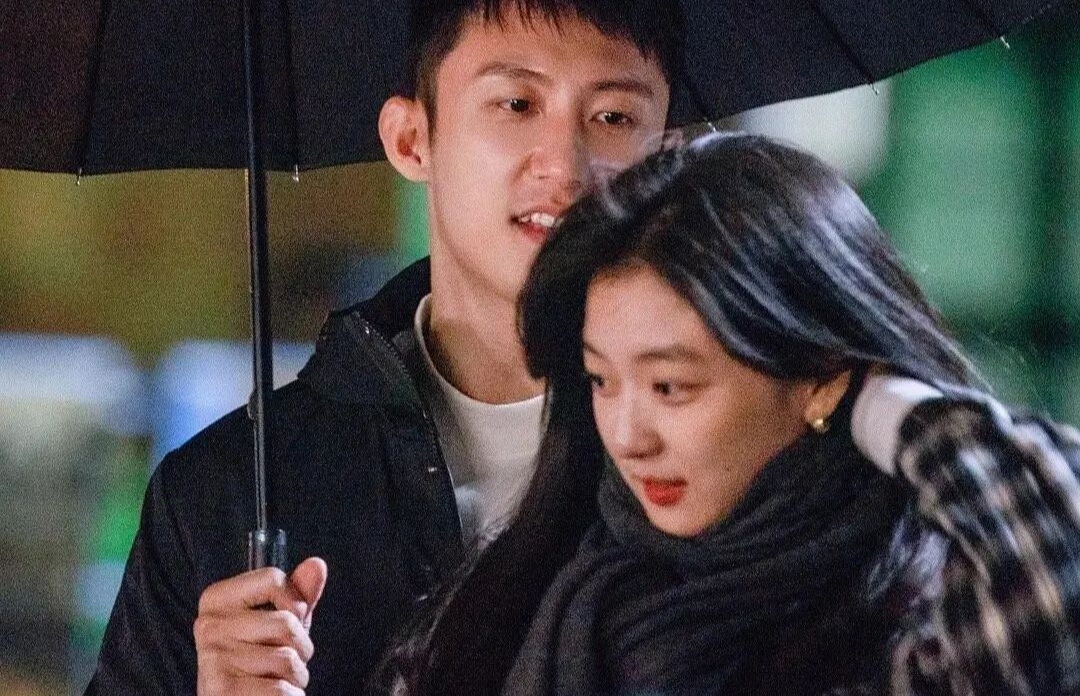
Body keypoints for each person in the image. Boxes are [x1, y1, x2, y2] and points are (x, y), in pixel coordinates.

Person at [85, 0, 683, 695]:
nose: (565, 166)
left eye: (613, 117)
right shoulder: (228, 493)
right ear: (411, 140)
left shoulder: (715, 454)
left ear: (667, 157)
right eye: (516, 104)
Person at [384, 133, 1080, 694]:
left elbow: (1059, 554)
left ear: (819, 373)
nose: (627, 436)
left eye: (670, 387)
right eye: (601, 380)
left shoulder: (914, 631)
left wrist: (880, 400)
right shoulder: (523, 600)